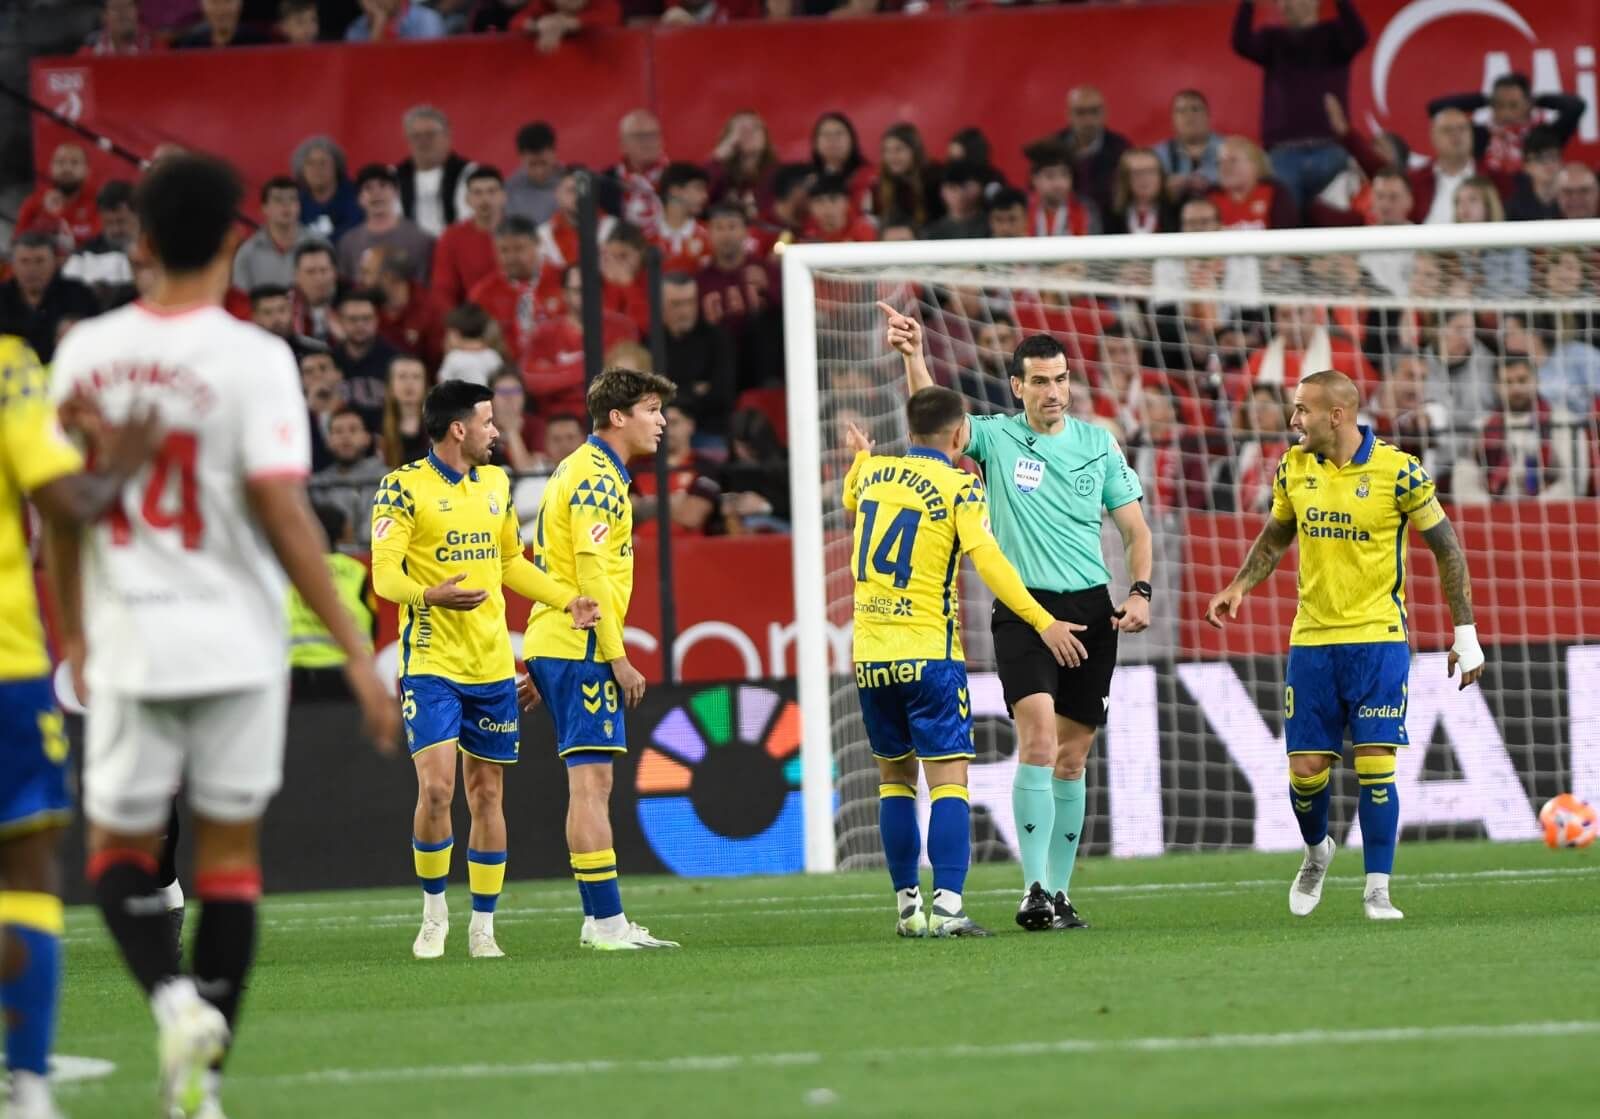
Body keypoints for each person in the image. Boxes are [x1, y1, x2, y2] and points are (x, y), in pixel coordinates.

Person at [48, 152, 398, 1119]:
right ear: (239, 242)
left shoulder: (85, 355)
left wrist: (73, 633)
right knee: (231, 859)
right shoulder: (258, 359)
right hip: (242, 643)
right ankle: (201, 1086)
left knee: (119, 852)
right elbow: (286, 515)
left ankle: (171, 1003)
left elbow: (62, 513)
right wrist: (360, 654)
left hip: (131, 635)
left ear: (139, 242)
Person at [882, 302, 1153, 933]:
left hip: (1091, 608)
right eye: (1040, 380)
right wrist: (914, 357)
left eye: (1060, 378)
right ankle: (1032, 888)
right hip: (1024, 611)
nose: (1053, 390)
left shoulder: (1098, 444)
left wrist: (1138, 592)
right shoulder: (998, 438)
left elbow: (1135, 529)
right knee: (1037, 739)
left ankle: (1058, 892)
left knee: (1073, 758)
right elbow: (937, 421)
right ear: (1017, 387)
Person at [1204, 369, 1485, 921]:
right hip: (1312, 640)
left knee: (1377, 761)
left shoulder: (1399, 472)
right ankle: (1316, 852)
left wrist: (1466, 633)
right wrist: (1240, 583)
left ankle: (1377, 889)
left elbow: (1447, 549)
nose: (1293, 420)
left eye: (1302, 410)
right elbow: (1278, 531)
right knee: (1306, 769)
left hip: (1378, 639)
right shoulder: (1293, 466)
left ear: (1337, 415)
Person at [841, 386, 1085, 938]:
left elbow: (851, 498)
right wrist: (1041, 620)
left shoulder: (874, 473)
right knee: (948, 784)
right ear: (959, 436)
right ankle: (948, 908)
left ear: (908, 433)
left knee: (894, 783)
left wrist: (861, 454)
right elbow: (989, 561)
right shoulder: (960, 485)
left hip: (870, 656)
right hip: (930, 653)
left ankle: (907, 908)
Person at [370, 380, 599, 961]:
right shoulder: (401, 488)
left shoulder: (496, 484)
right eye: (489, 422)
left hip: (492, 663)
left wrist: (564, 598)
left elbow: (509, 563)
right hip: (430, 661)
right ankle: (433, 913)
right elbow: (384, 577)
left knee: (488, 794)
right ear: (458, 429)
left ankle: (483, 926)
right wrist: (430, 595)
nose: (497, 432)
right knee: (438, 787)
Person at [0, 332, 157, 1119]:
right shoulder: (7, 367)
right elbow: (65, 505)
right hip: (6, 663)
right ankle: (28, 1087)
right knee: (23, 874)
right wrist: (123, 456)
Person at [523, 367, 682, 950]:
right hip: (579, 645)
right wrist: (617, 656)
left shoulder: (586, 470)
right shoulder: (595, 478)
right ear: (618, 417)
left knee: (592, 780)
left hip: (558, 643)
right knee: (591, 783)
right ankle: (608, 925)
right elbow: (590, 574)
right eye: (651, 409)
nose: (661, 421)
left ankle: (599, 921)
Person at [1231, 0, 1369, 208]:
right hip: (1283, 154)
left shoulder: (1334, 35)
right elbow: (1241, 43)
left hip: (1329, 148)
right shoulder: (1273, 39)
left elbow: (1359, 36)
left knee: (1337, 227)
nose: (1284, 5)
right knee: (1285, 232)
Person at [1426, 73, 1586, 180]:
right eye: (1499, 105)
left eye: (1513, 105)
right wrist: (1484, 99)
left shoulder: (1544, 135)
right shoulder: (1481, 135)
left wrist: (1538, 99)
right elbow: (1436, 108)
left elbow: (1575, 106)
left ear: (1528, 105)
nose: (1505, 113)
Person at [0, 232, 100, 363]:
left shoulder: (79, 295)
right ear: (12, 264)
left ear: (55, 262)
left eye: (40, 261)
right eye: (24, 261)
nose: (32, 269)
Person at [337, 164, 434, 285]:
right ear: (359, 198)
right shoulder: (348, 243)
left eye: (383, 185)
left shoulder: (420, 239)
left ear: (396, 192)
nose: (376, 193)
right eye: (368, 188)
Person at [431, 166, 507, 310]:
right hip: (471, 321)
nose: (485, 199)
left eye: (492, 191)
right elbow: (443, 291)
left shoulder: (521, 233)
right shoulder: (451, 238)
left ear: (503, 196)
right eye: (477, 193)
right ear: (467, 199)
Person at [232, 176, 310, 292]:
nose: (286, 205)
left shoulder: (318, 244)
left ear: (299, 206)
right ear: (264, 208)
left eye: (292, 199)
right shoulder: (248, 253)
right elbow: (241, 299)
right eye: (278, 200)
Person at [1156, 89, 1223, 202]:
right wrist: (1163, 188)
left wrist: (1213, 180)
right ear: (1173, 119)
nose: (1189, 115)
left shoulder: (1232, 148)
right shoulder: (1158, 155)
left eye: (1195, 109)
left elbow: (1261, 170)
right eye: (1181, 111)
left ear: (1208, 115)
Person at [505, 121, 563, 226]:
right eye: (532, 164)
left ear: (554, 153)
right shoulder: (509, 190)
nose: (539, 171)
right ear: (521, 158)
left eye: (543, 163)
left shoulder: (573, 184)